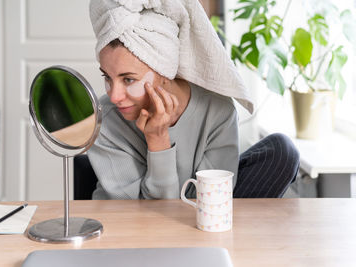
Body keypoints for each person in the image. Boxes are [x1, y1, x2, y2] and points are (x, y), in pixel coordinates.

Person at [87, 0, 299, 200]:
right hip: (134, 228)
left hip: (198, 219)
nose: (114, 96)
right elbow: (151, 219)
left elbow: (211, 199)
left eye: (128, 79)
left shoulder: (217, 110)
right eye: (107, 77)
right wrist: (158, 142)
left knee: (282, 151)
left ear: (164, 71)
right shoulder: (103, 119)